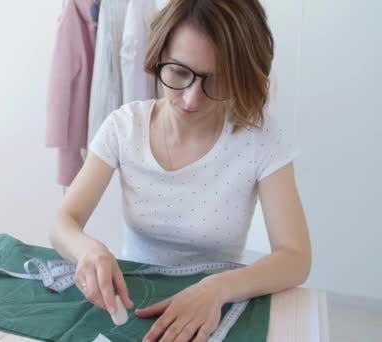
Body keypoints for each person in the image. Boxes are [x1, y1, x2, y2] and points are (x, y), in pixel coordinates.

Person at [49, 0, 311, 341]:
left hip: (219, 301)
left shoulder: (260, 138)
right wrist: (89, 250)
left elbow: (296, 257)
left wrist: (217, 289)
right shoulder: (124, 127)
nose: (190, 98)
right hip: (137, 297)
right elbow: (62, 222)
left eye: (215, 81)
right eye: (178, 72)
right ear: (158, 56)